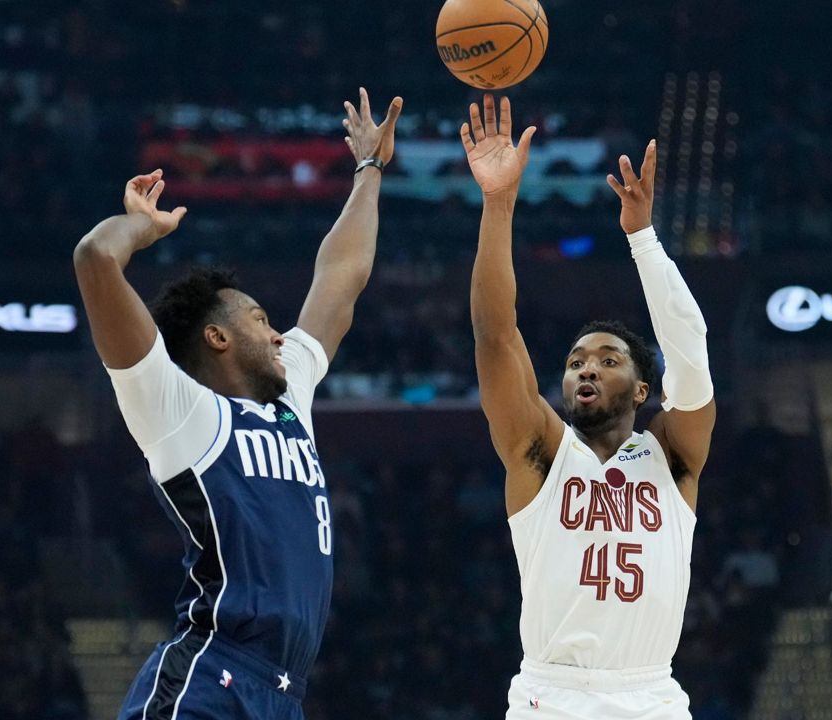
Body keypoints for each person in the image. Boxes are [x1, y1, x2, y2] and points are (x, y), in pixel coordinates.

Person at [73, 88, 402, 720]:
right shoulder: (178, 409)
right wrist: (140, 226)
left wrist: (368, 170)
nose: (282, 335)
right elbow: (94, 258)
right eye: (260, 319)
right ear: (217, 337)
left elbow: (341, 275)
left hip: (284, 692)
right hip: (211, 675)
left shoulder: (290, 396)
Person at [459, 94, 715, 719]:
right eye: (575, 362)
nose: (586, 368)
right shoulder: (541, 451)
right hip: (555, 695)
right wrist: (498, 204)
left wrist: (643, 240)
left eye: (606, 359)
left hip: (653, 694)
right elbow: (495, 335)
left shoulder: (673, 456)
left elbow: (690, 353)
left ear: (641, 390)